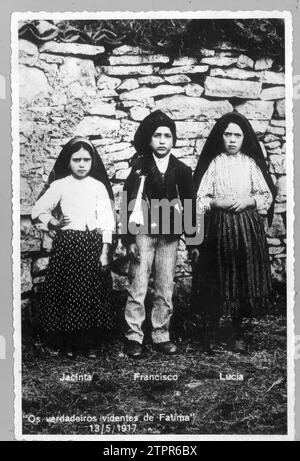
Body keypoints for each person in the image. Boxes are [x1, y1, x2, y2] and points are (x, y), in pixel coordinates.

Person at [191, 111, 276, 354]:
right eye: (227, 134)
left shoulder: (250, 164)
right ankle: (211, 329)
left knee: (241, 277)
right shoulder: (214, 163)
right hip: (219, 229)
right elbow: (200, 197)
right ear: (221, 137)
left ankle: (237, 331)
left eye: (237, 135)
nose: (232, 139)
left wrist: (248, 200)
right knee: (218, 276)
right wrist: (217, 203)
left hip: (246, 228)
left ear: (244, 138)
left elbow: (266, 195)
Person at [31, 136, 116, 358]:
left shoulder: (98, 187)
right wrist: (54, 222)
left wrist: (105, 252)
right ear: (68, 162)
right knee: (67, 291)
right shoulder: (60, 185)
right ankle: (67, 343)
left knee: (90, 292)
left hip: (91, 245)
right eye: (76, 159)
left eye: (86, 160)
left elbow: (107, 220)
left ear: (92, 162)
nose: (81, 164)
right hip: (67, 245)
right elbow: (38, 210)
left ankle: (89, 343)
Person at [121, 110, 196, 358]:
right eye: (157, 135)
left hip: (170, 236)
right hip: (143, 233)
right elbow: (126, 201)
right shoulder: (139, 167)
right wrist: (128, 238)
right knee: (139, 282)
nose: (162, 140)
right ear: (149, 140)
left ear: (173, 140)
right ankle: (134, 336)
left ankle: (161, 333)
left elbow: (191, 204)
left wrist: (194, 241)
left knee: (165, 284)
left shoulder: (182, 170)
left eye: (167, 135)